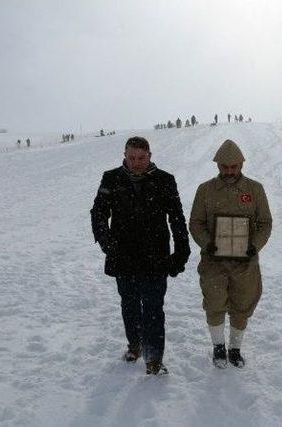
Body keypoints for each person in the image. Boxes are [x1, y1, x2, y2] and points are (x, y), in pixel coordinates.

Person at [90, 136, 190, 375]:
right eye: (132, 158)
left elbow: (176, 218)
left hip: (155, 256)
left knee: (154, 308)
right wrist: (107, 243)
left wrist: (181, 251)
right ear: (124, 156)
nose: (136, 163)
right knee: (130, 305)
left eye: (141, 158)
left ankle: (154, 357)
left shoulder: (165, 180)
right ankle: (135, 345)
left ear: (150, 156)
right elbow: (99, 213)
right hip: (122, 255)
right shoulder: (111, 178)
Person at [189, 139, 272, 369]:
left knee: (242, 305)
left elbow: (265, 223)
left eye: (234, 167)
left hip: (245, 263)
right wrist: (208, 244)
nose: (229, 171)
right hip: (213, 262)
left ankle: (235, 348)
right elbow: (196, 223)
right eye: (225, 167)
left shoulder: (255, 189)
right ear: (217, 165)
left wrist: (254, 245)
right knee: (214, 303)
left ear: (241, 164)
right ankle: (218, 346)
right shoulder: (205, 190)